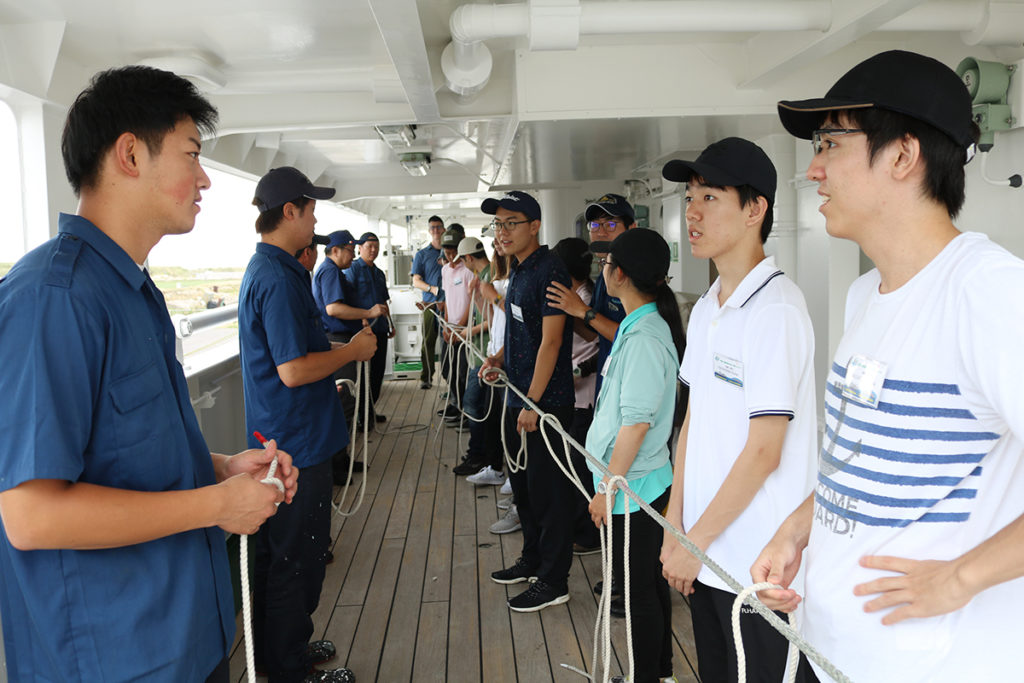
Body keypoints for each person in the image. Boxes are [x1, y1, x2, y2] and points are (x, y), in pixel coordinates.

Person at [0, 65, 298, 683]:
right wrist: (217, 505)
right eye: (192, 154)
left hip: (188, 637)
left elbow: (122, 455)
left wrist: (223, 469)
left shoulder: (133, 292)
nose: (204, 178)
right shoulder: (54, 298)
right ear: (131, 154)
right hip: (118, 659)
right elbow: (32, 517)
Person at [753, 50, 1024, 683]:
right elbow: (863, 461)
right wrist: (799, 530)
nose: (813, 170)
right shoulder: (864, 294)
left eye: (830, 143)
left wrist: (961, 579)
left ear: (902, 156)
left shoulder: (989, 294)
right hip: (833, 655)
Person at [658, 137, 817, 683]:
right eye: (690, 197)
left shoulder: (775, 310)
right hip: (706, 557)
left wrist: (693, 541)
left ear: (755, 209)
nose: (692, 212)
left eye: (710, 197)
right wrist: (675, 527)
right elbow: (692, 425)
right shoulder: (707, 308)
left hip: (758, 570)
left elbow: (766, 449)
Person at [240, 166, 377, 683]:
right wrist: (352, 353)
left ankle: (288, 646)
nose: (316, 218)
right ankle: (289, 669)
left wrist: (339, 356)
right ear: (291, 212)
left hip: (296, 436)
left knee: (296, 558)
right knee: (295, 562)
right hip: (296, 444)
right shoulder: (276, 279)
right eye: (312, 209)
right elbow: (293, 370)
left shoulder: (277, 271)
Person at [586, 229, 684, 683]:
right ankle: (659, 671)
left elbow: (637, 423)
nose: (602, 271)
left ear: (618, 274)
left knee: (638, 590)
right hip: (635, 482)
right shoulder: (638, 325)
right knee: (646, 582)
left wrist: (607, 489)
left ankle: (648, 676)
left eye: (605, 263)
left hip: (633, 487)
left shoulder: (645, 337)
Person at [481, 191, 576, 612]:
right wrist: (499, 358)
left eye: (510, 223)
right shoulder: (519, 270)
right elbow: (526, 333)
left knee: (550, 495)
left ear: (535, 226)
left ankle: (554, 579)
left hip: (543, 405)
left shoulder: (550, 270)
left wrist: (533, 404)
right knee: (523, 488)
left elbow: (552, 343)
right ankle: (533, 558)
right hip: (518, 395)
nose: (501, 233)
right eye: (497, 225)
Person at [312, 230, 385, 482]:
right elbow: (333, 308)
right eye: (350, 249)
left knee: (346, 403)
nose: (353, 254)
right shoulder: (330, 271)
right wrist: (368, 310)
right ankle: (336, 465)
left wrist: (359, 316)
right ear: (335, 251)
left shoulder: (332, 271)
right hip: (338, 342)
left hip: (341, 340)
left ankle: (341, 459)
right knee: (343, 403)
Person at [547, 193, 635, 396]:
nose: (600, 232)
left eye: (610, 225)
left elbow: (633, 338)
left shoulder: (636, 277)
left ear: (632, 229)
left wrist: (583, 310)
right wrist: (567, 309)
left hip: (629, 383)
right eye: (594, 226)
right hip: (606, 383)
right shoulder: (605, 277)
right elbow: (593, 333)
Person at [551, 237, 601, 554]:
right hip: (575, 394)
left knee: (580, 467)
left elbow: (595, 337)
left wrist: (570, 311)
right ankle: (578, 527)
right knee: (572, 463)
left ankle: (588, 534)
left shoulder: (584, 298)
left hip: (585, 395)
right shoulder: (581, 294)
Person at [344, 232, 392, 425]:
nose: (373, 250)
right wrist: (362, 317)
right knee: (363, 375)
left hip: (380, 329)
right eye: (369, 246)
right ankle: (361, 417)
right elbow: (347, 300)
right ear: (359, 248)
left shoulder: (379, 273)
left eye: (376, 246)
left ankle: (370, 411)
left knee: (377, 374)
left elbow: (384, 302)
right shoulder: (353, 270)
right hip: (363, 331)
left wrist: (390, 325)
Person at [438, 227, 476, 425]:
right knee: (446, 369)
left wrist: (460, 327)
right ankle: (457, 403)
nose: (450, 256)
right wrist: (446, 324)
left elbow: (472, 302)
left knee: (462, 372)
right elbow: (446, 298)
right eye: (447, 252)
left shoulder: (469, 270)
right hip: (449, 328)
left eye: (453, 252)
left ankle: (465, 411)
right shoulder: (445, 270)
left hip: (464, 330)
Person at [410, 215, 445, 389]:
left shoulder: (451, 251)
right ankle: (427, 377)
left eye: (438, 227)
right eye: (432, 228)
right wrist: (432, 289)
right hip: (430, 305)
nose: (436, 230)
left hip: (450, 306)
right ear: (429, 231)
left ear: (444, 229)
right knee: (428, 342)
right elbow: (416, 281)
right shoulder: (422, 255)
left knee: (449, 343)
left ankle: (450, 378)